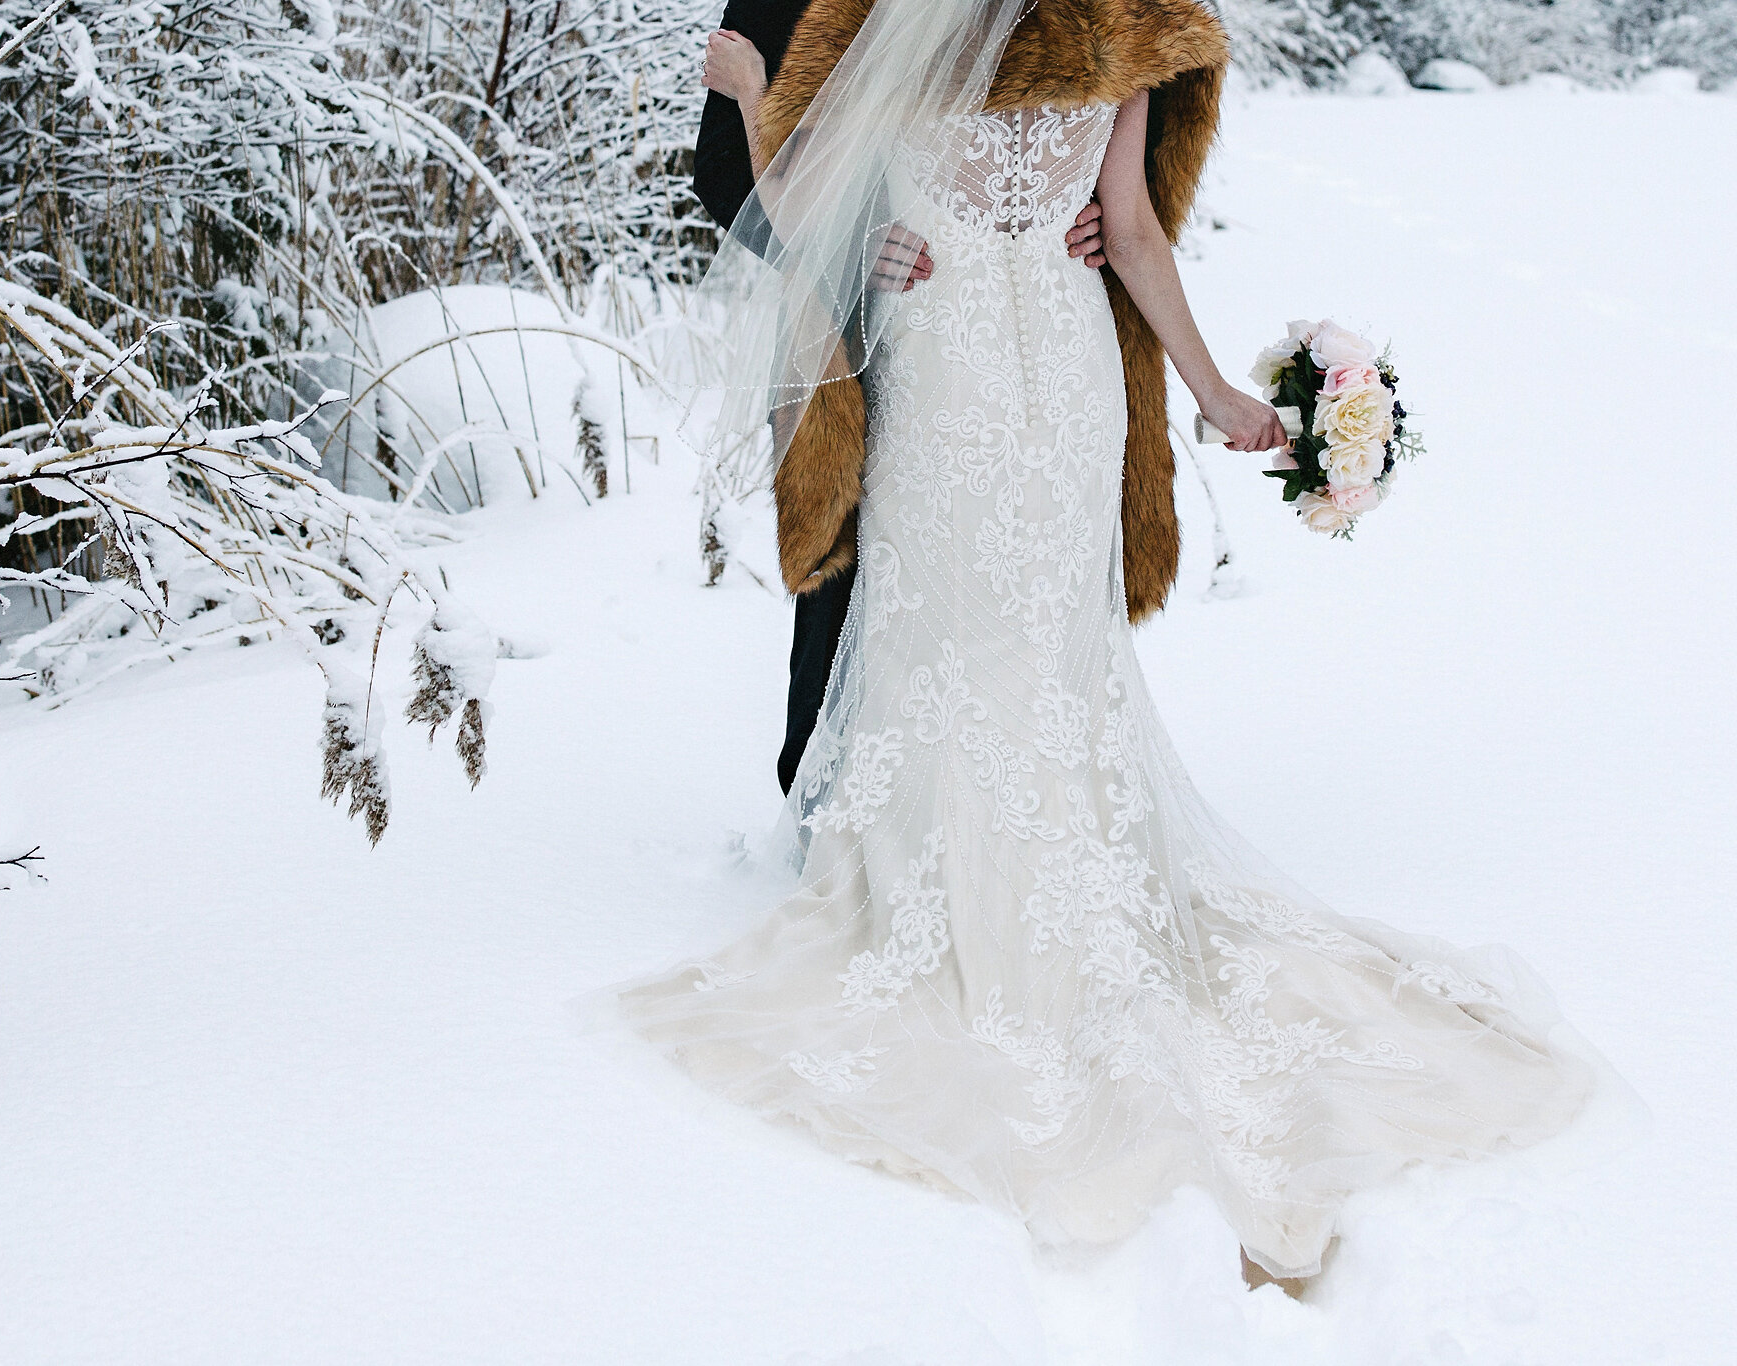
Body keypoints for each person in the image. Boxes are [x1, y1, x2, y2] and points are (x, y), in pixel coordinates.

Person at [620, 0, 1600, 1296]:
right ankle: (1061, 880)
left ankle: (961, 893)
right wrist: (1214, 394)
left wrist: (750, 96)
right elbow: (1129, 233)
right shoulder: (1113, 29)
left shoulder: (891, 34)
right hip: (1069, 380)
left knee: (953, 645)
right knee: (1056, 655)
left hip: (953, 373)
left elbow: (793, 217)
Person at [693, 6, 1109, 796]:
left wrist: (1075, 218)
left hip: (1021, 330)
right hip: (846, 324)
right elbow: (722, 171)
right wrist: (854, 240)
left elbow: (1118, 144)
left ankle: (1026, 790)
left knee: (1025, 557)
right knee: (845, 575)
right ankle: (824, 804)